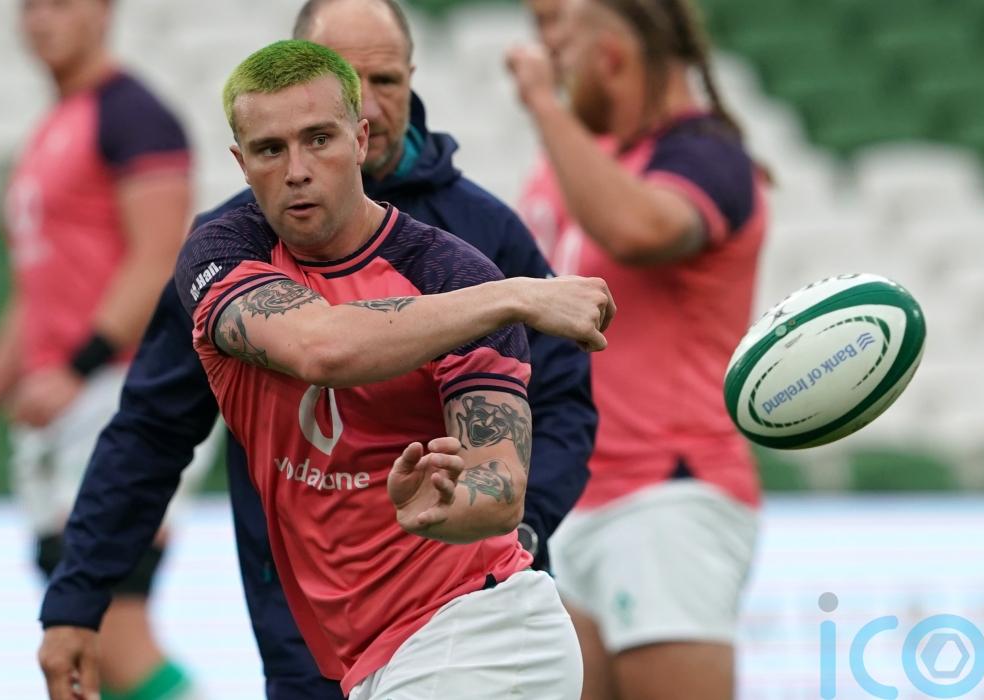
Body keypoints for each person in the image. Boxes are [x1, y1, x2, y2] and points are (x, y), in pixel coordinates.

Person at [38, 1, 598, 699]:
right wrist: (77, 597)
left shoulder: (475, 245)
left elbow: (547, 422)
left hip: (467, 619)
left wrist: (478, 515)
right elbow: (154, 429)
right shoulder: (228, 247)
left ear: (370, 120)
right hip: (317, 636)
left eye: (384, 80)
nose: (373, 103)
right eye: (274, 147)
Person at [507, 0, 768, 698]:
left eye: (565, 47)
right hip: (575, 496)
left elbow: (639, 229)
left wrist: (543, 105)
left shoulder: (705, 155)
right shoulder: (586, 162)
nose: (553, 63)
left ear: (613, 56)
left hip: (664, 496)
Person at [0, 0, 212, 698]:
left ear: (103, 12)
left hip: (123, 394)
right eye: (30, 6)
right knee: (83, 642)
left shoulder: (133, 114)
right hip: (68, 406)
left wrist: (77, 368)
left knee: (111, 632)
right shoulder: (53, 127)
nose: (40, 19)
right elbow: (37, 296)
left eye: (60, 3)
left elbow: (161, 255)